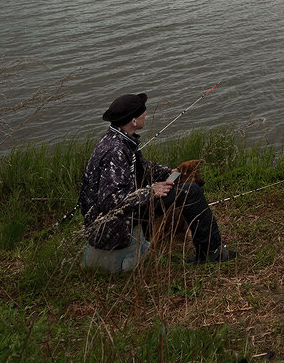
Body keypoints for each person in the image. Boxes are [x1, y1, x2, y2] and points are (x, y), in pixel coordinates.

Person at [78, 92, 236, 267]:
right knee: (192, 191)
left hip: (115, 219)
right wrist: (150, 191)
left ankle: (195, 242)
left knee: (181, 185)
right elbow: (110, 201)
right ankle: (211, 253)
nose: (146, 113)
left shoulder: (117, 140)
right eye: (142, 111)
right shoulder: (116, 151)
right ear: (133, 121)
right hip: (112, 228)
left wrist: (169, 172)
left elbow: (141, 168)